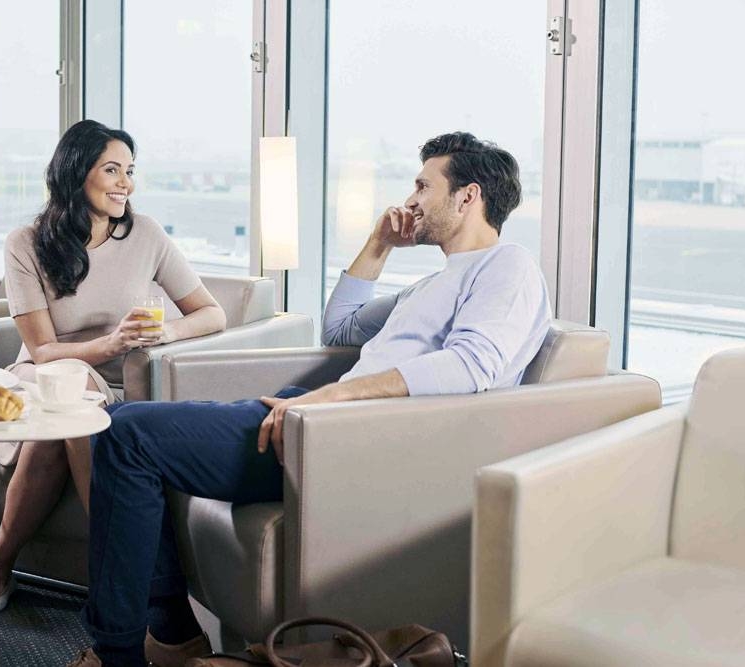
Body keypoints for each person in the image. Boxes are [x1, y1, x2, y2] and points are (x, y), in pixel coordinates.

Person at [67, 132, 552, 667]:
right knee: (128, 427)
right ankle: (172, 633)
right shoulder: (432, 285)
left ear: (468, 196)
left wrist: (330, 398)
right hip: (313, 419)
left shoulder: (508, 266)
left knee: (127, 434)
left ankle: (123, 652)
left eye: (423, 186)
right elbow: (341, 327)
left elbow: (472, 365)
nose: (411, 200)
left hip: (341, 440)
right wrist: (379, 243)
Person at [0, 120, 227, 617]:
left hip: (121, 385)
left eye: (130, 170)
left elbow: (212, 312)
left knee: (55, 434)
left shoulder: (145, 233)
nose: (126, 182)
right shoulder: (25, 243)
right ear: (74, 173)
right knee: (72, 389)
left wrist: (163, 333)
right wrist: (109, 344)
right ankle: (123, 583)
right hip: (42, 376)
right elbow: (41, 352)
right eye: (112, 169)